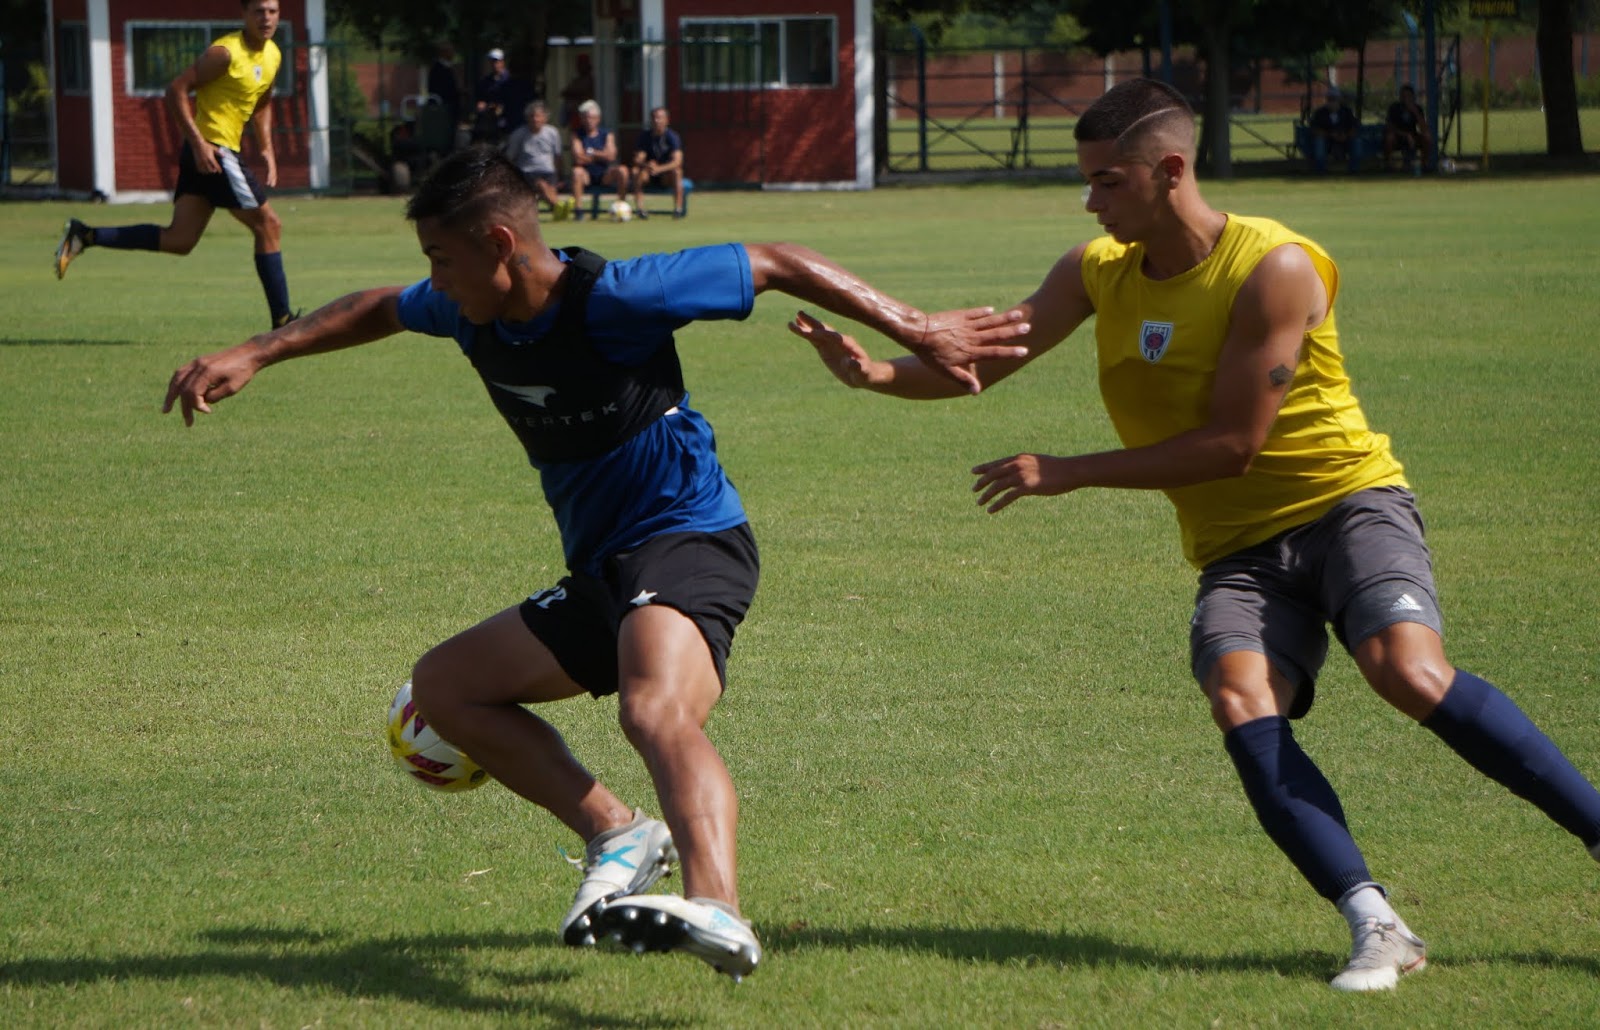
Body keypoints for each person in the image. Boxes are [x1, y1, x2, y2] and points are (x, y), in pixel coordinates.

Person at [791, 77, 1600, 993]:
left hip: (1345, 504)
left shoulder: (1276, 267)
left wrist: (1067, 470)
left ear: (1169, 170)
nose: (1090, 201)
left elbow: (1234, 446)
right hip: (1238, 552)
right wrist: (877, 376)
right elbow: (987, 360)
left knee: (1403, 670)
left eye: (1107, 182)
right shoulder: (1097, 269)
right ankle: (1377, 923)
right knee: (1240, 697)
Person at [160, 146, 1028, 980]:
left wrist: (917, 327)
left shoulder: (612, 298)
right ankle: (616, 833)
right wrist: (256, 351)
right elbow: (379, 307)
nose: (436, 277)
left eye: (443, 257)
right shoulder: (468, 310)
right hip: (604, 568)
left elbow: (772, 259)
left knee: (655, 713)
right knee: (448, 688)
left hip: (692, 537)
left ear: (499, 244)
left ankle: (717, 905)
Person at [53, 0, 295, 329]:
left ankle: (85, 235)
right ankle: (283, 320)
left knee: (179, 240)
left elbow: (263, 100)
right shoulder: (225, 53)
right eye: (258, 11)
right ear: (244, 15)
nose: (266, 18)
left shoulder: (273, 55)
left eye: (272, 11)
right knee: (269, 225)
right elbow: (176, 91)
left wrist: (266, 147)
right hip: (214, 151)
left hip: (212, 154)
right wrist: (198, 144)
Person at [504, 101, 571, 219]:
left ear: (545, 118)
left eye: (538, 116)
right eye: (532, 116)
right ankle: (558, 206)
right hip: (527, 172)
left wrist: (560, 175)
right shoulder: (519, 134)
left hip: (548, 172)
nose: (535, 119)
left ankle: (558, 210)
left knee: (548, 187)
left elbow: (558, 156)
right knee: (541, 184)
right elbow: (510, 157)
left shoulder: (552, 133)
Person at [570, 100, 628, 221]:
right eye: (585, 117)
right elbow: (578, 157)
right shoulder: (577, 134)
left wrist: (591, 152)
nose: (589, 120)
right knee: (577, 172)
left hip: (604, 173)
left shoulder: (607, 134)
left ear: (598, 119)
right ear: (581, 119)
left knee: (622, 170)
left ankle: (622, 207)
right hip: (585, 175)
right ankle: (579, 211)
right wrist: (601, 155)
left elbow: (611, 156)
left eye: (592, 118)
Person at [630, 106, 686, 220]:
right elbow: (638, 159)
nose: (657, 121)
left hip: (665, 174)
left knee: (677, 172)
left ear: (667, 120)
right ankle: (640, 210)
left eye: (660, 118)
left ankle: (678, 209)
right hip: (649, 174)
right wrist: (647, 165)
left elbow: (677, 161)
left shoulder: (672, 137)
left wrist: (659, 169)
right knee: (636, 172)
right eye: (654, 118)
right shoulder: (645, 136)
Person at [1308, 86, 1360, 174]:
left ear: (1339, 99)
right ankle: (1321, 170)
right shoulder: (1319, 113)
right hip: (1326, 140)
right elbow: (1315, 129)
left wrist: (1346, 135)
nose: (1332, 101)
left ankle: (1354, 169)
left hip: (1344, 139)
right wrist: (1330, 135)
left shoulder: (1347, 111)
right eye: (1330, 99)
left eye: (1334, 99)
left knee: (1356, 141)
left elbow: (1354, 126)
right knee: (1319, 142)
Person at [1384, 84, 1433, 174]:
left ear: (1413, 97)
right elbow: (1390, 127)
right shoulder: (1394, 108)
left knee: (1427, 137)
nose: (1406, 98)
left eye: (1408, 96)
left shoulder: (1417, 108)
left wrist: (1415, 112)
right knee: (1389, 138)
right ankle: (1388, 164)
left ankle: (1424, 165)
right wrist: (1406, 135)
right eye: (1403, 96)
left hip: (1413, 137)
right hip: (1398, 136)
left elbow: (1424, 128)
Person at [426, 41, 462, 135]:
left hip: (450, 107)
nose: (453, 54)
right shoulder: (438, 69)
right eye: (450, 51)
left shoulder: (448, 68)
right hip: (443, 107)